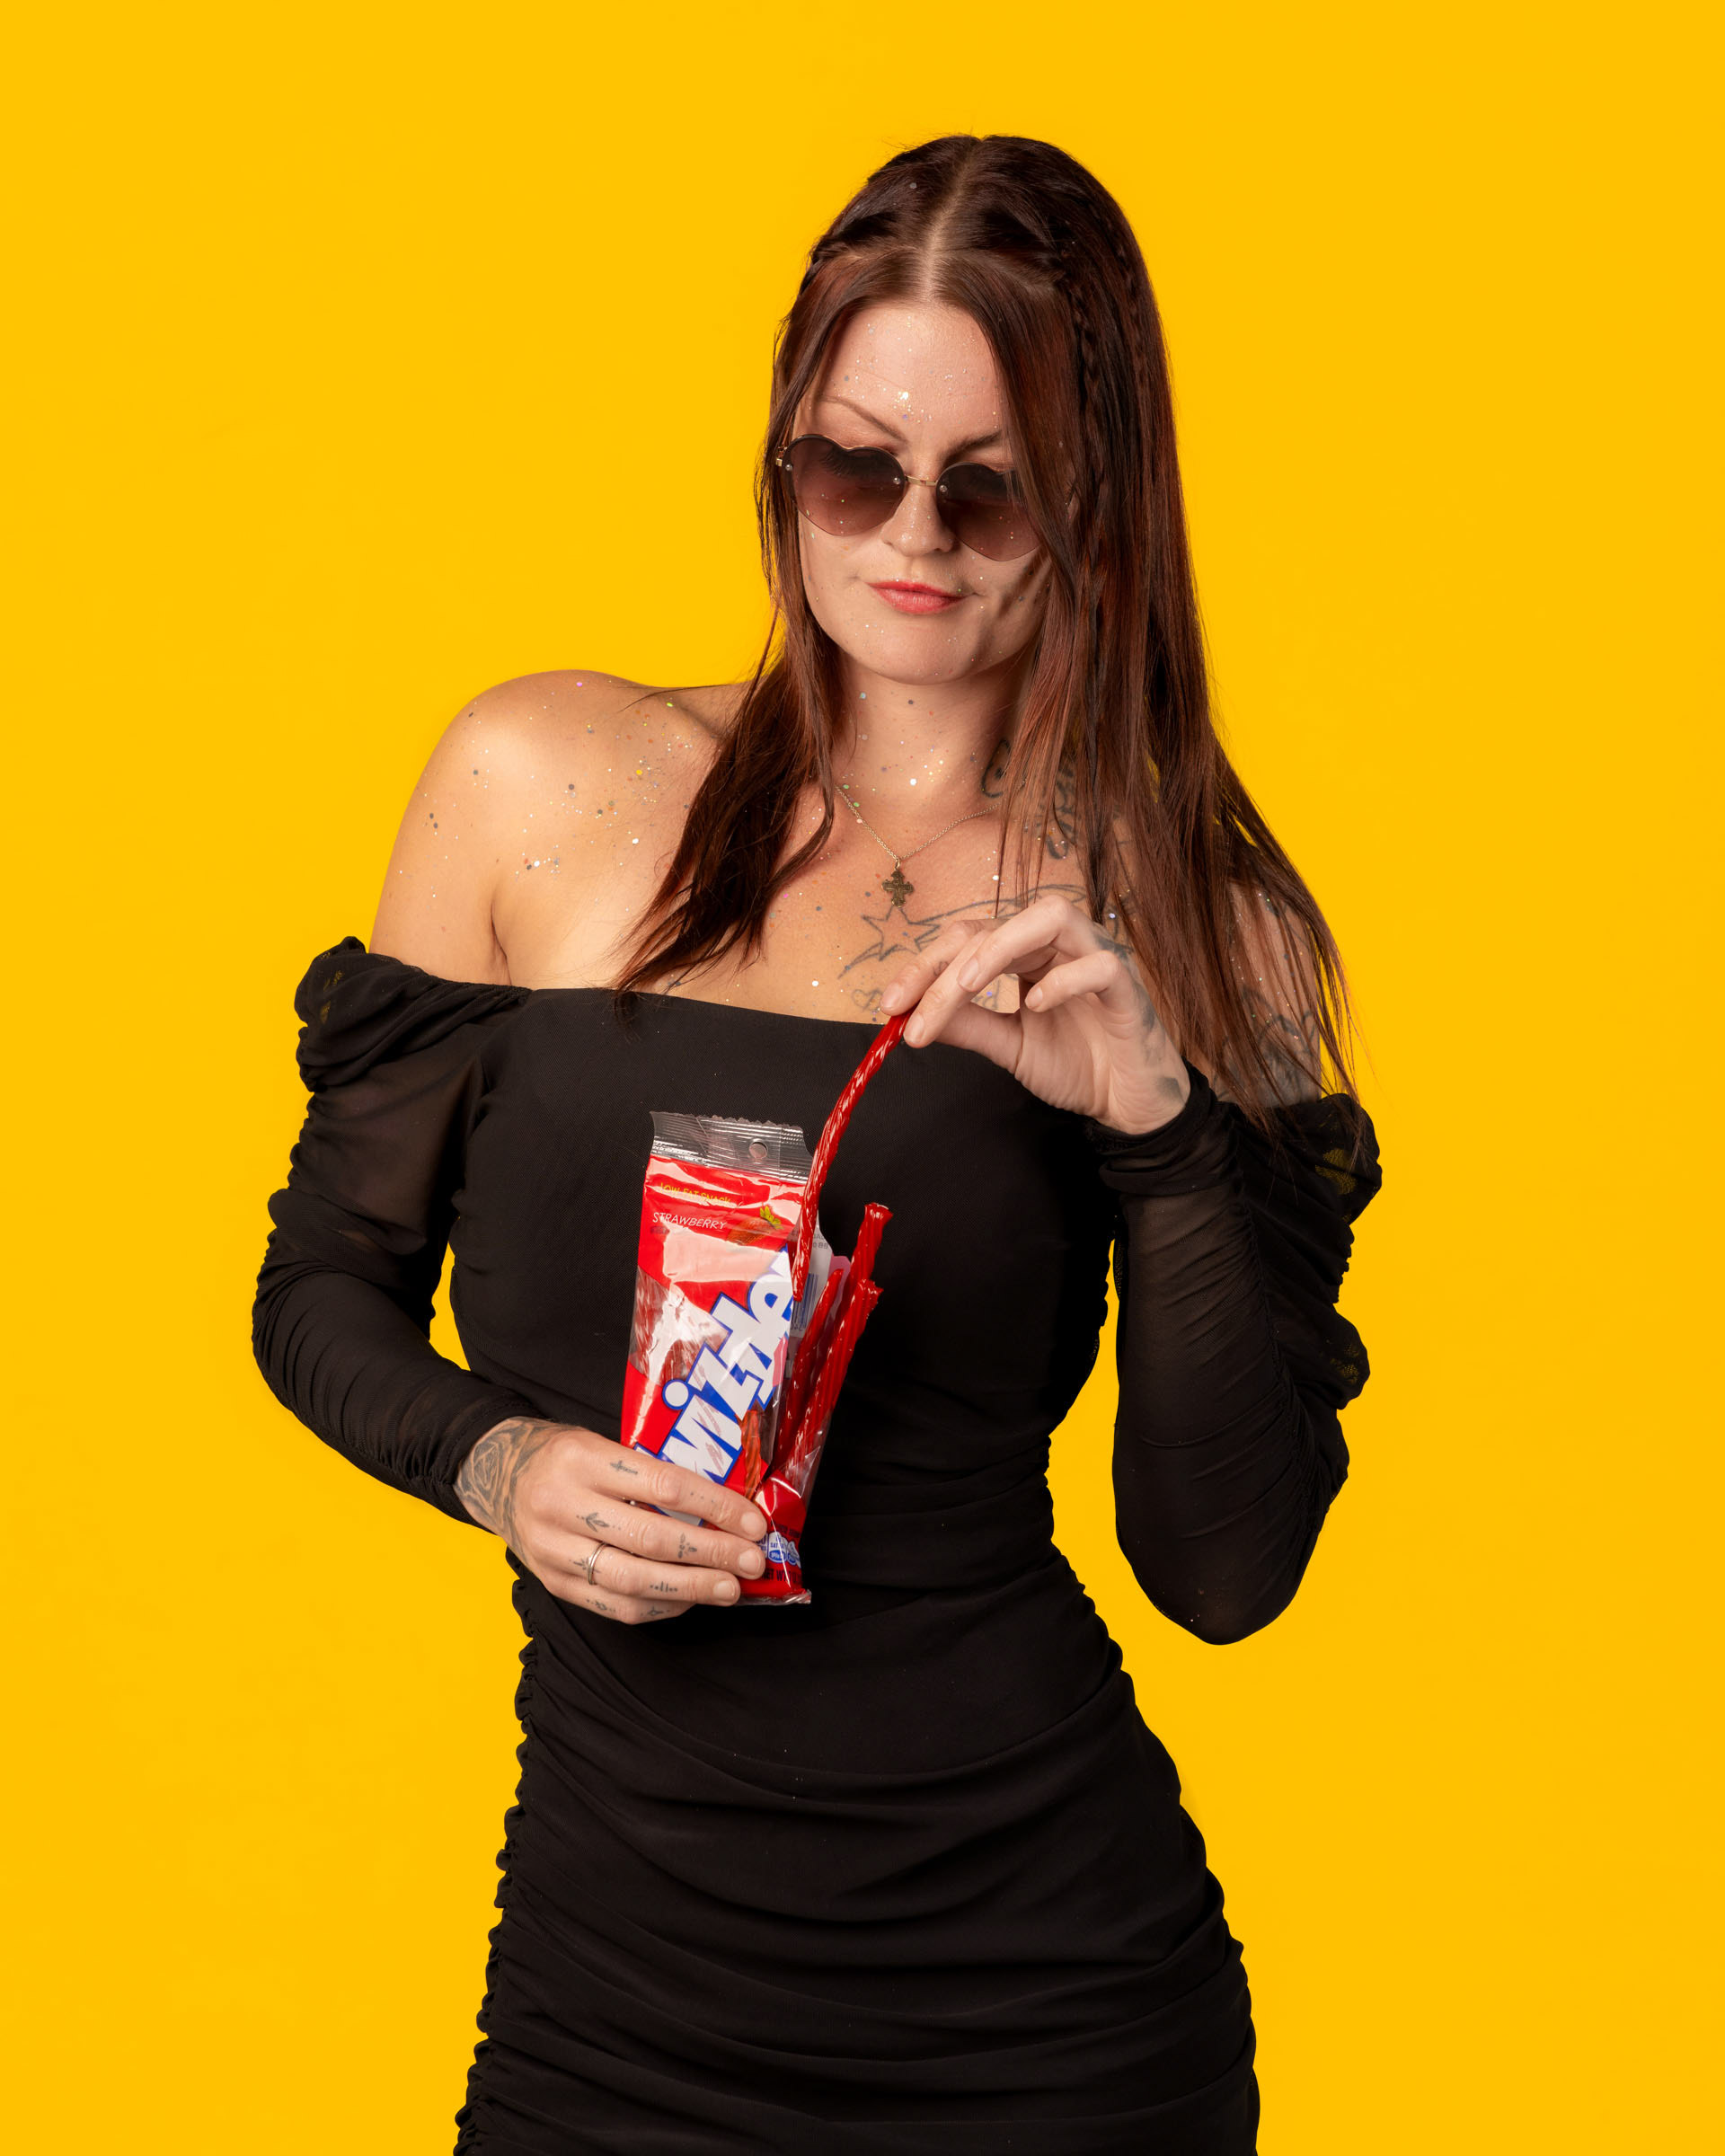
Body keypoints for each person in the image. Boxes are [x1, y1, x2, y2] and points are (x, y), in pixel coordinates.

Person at [254, 133, 1380, 2155]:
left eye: (991, 487)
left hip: (1047, 2016)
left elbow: (1226, 1570)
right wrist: (501, 1465)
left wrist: (1159, 1129)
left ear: (1101, 499)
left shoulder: (1194, 927)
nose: (912, 536)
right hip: (615, 1993)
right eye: (856, 468)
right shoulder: (543, 786)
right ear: (783, 459)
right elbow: (320, 1288)